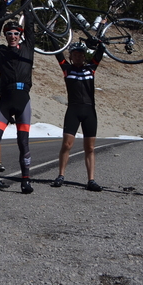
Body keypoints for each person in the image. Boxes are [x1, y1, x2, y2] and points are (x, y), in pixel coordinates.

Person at [51, 39, 106, 192]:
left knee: (90, 147)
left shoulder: (91, 68)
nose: (78, 57)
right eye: (75, 54)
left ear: (84, 56)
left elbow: (100, 52)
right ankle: (61, 175)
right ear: (71, 56)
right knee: (67, 144)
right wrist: (50, 35)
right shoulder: (66, 69)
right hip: (73, 110)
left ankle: (91, 180)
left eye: (81, 55)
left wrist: (99, 42)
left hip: (89, 111)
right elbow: (57, 52)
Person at [0, 14, 37, 194]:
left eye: (15, 33)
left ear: (20, 34)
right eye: (8, 33)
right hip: (5, 100)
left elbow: (31, 25)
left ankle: (25, 180)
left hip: (23, 100)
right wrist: (0, 12)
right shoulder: (0, 51)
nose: (12, 36)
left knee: (23, 142)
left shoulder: (28, 47)